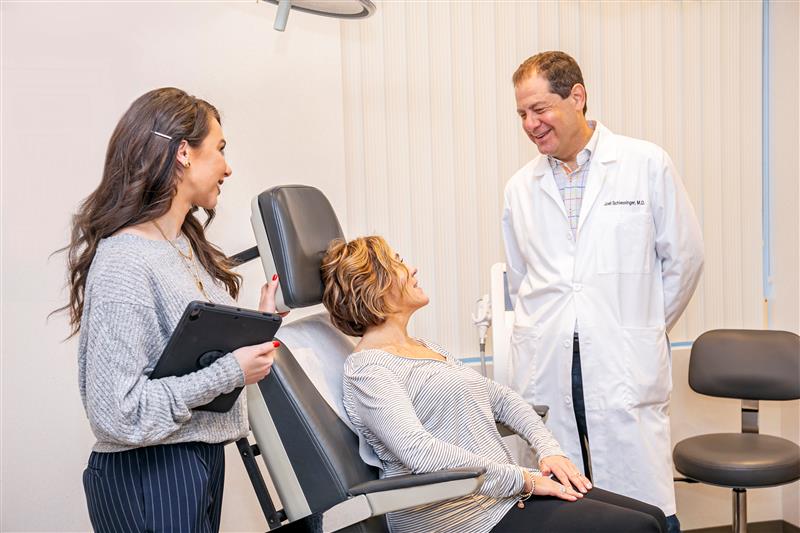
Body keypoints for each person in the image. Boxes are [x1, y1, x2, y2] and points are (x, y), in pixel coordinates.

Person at [320, 235, 667, 533]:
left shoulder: (425, 349)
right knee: (641, 527)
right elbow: (419, 452)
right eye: (397, 262)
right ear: (374, 285)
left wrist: (549, 449)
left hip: (498, 494)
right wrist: (525, 479)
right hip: (456, 517)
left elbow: (502, 399)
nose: (412, 268)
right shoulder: (367, 369)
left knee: (652, 516)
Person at [58, 87, 283, 532]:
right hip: (150, 473)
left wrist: (260, 325)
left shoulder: (183, 246)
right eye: (219, 150)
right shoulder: (125, 259)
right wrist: (229, 372)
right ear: (183, 153)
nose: (228, 167)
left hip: (194, 459)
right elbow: (117, 412)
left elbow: (191, 355)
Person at [502, 51, 704, 532]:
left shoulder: (644, 163)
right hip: (549, 358)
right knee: (565, 505)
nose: (531, 124)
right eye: (521, 114)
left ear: (577, 97)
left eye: (540, 109)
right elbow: (519, 277)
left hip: (621, 360)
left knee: (642, 506)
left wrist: (642, 327)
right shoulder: (519, 188)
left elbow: (685, 260)